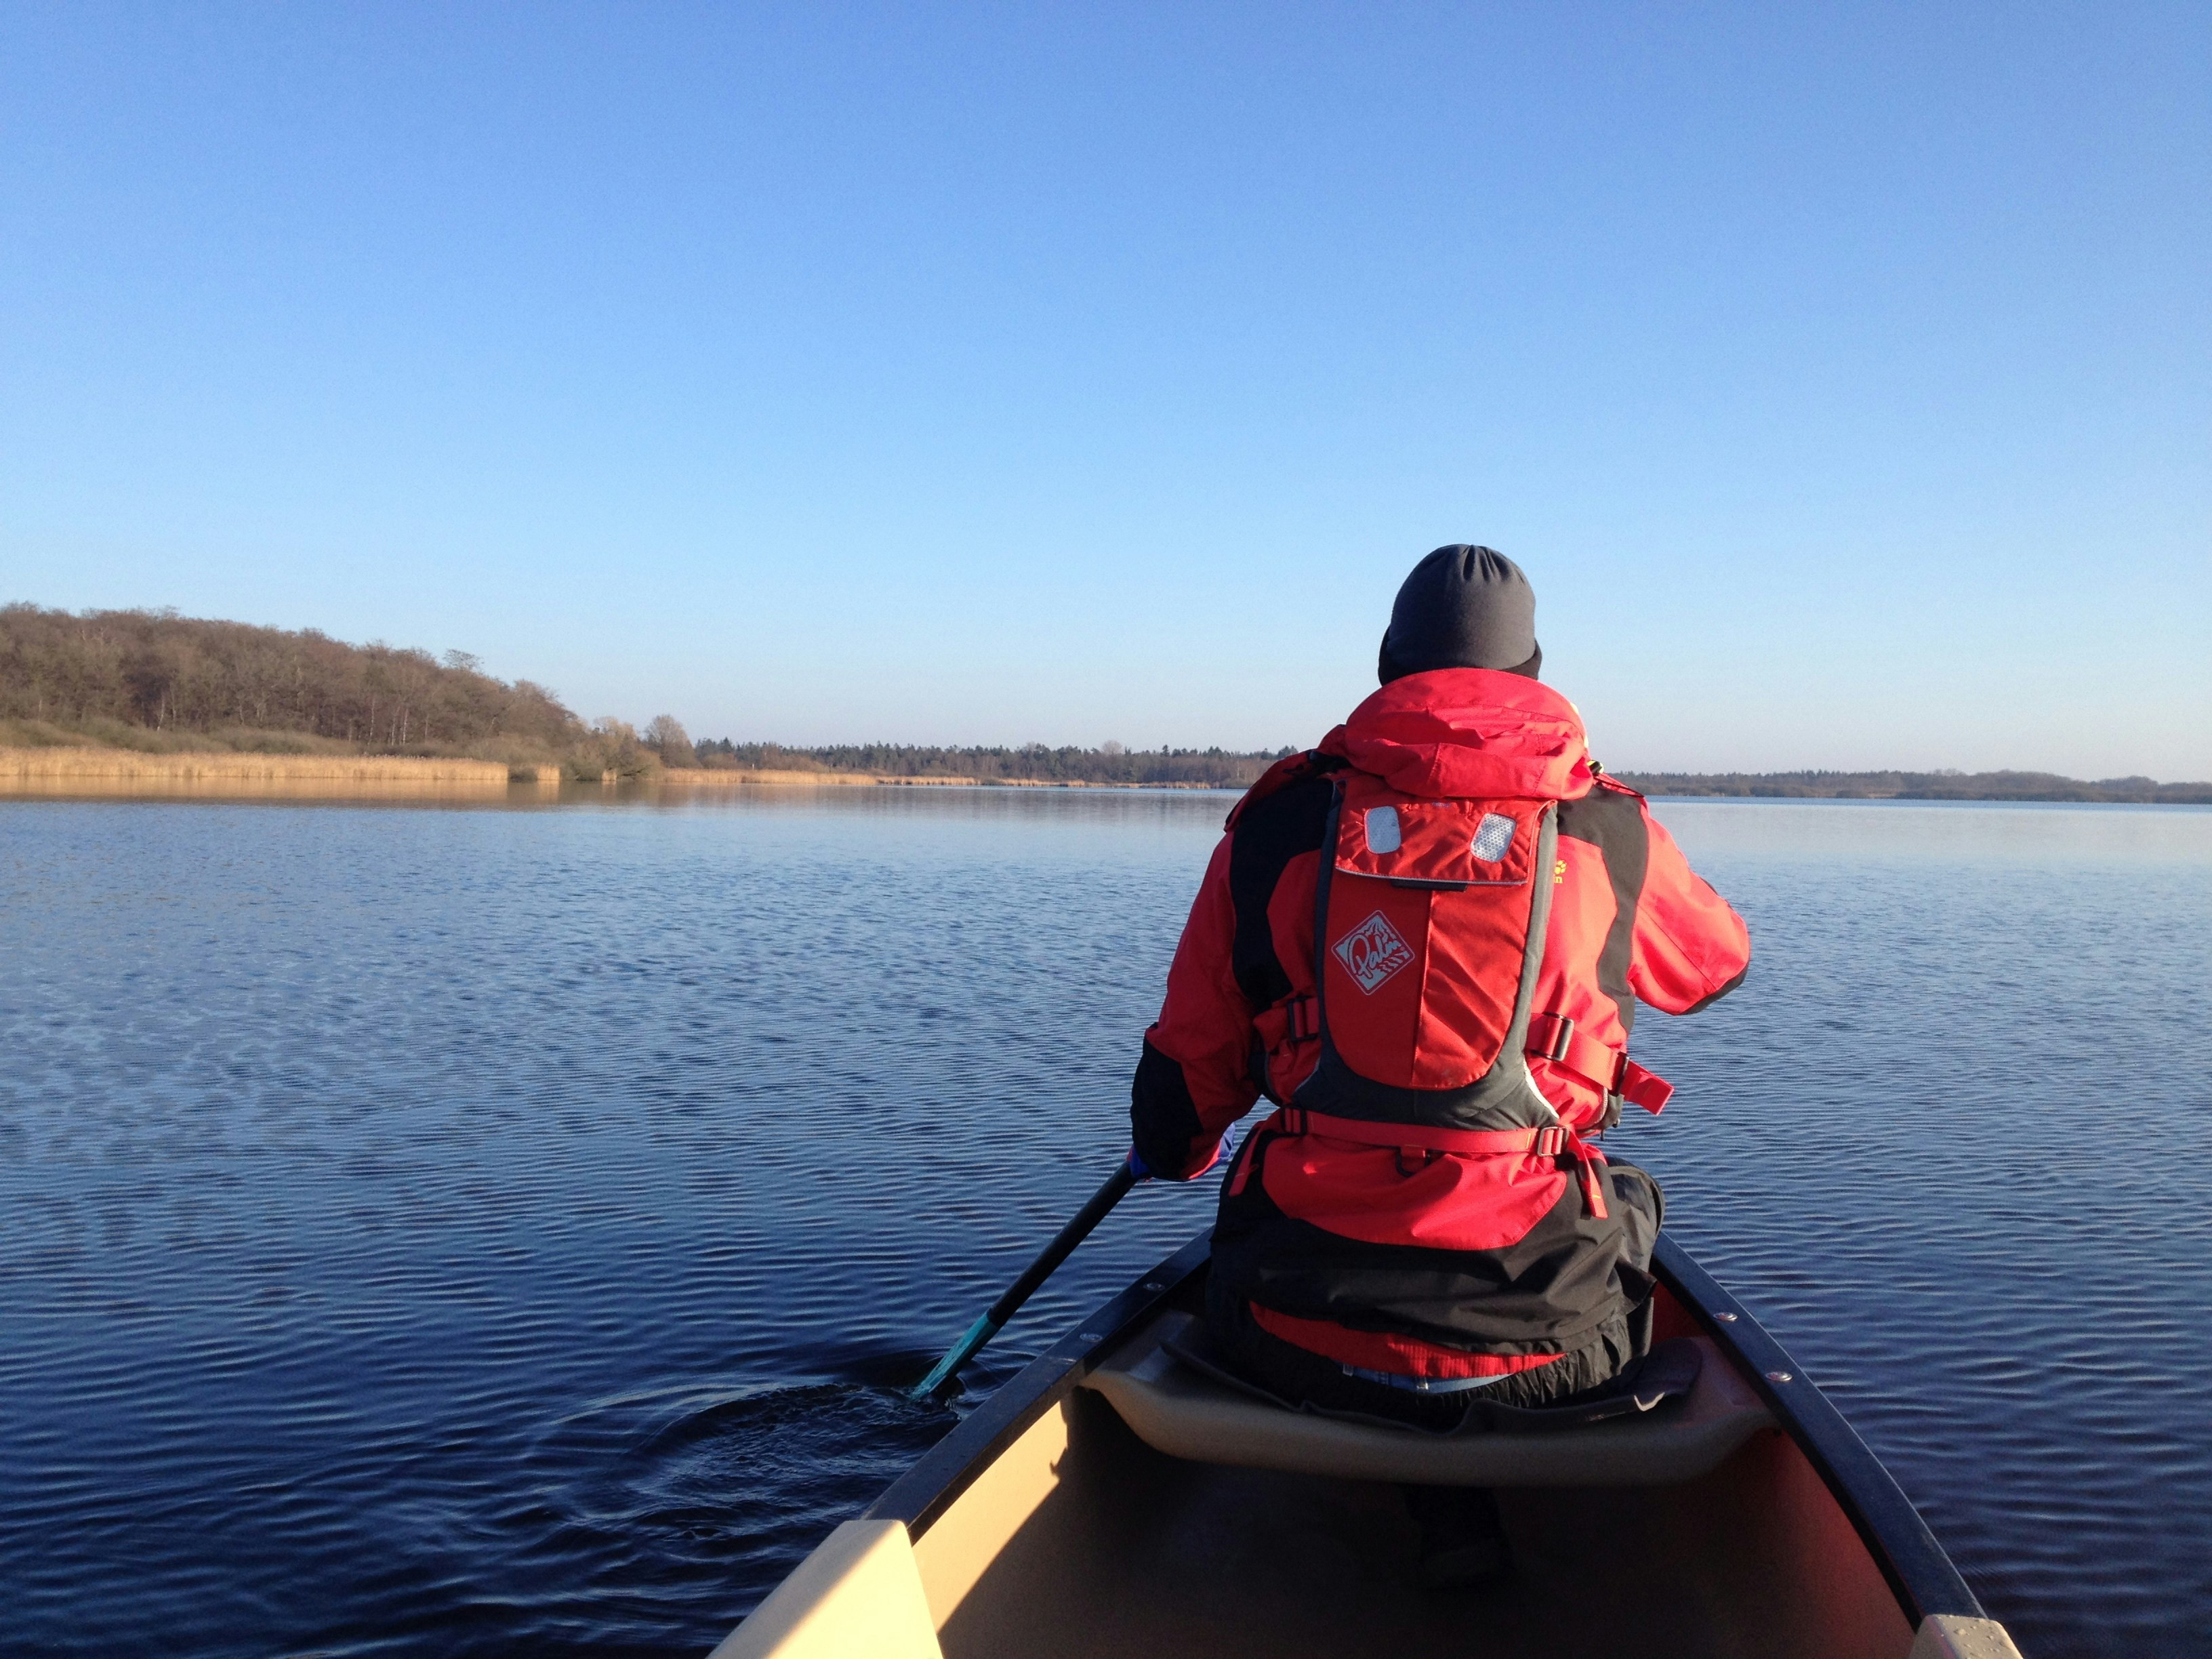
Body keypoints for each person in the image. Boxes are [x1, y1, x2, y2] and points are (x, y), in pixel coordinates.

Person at [1127, 544, 1751, 1586]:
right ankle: (1460, 1501)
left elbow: (1187, 1088)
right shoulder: (1608, 828)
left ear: (1388, 665)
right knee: (1631, 1199)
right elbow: (1714, 965)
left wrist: (1170, 1148)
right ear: (1535, 674)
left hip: (1286, 1327)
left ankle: (1415, 1493)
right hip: (1557, 1350)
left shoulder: (1280, 823)